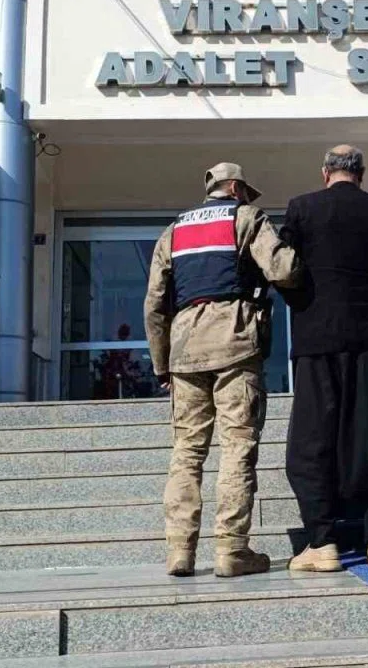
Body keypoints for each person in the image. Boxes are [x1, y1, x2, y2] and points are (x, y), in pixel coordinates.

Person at [144, 162, 300, 578]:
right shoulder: (247, 218)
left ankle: (180, 551)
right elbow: (283, 269)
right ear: (233, 187)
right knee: (237, 447)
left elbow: (155, 303)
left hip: (184, 350)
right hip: (235, 342)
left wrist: (162, 364)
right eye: (245, 191)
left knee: (187, 453)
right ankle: (232, 550)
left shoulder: (174, 231)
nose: (247, 198)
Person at [279, 145, 368, 572]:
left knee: (311, 442)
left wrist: (302, 305)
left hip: (318, 337)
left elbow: (285, 268)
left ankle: (323, 541)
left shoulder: (301, 208)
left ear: (324, 172)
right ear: (361, 174)